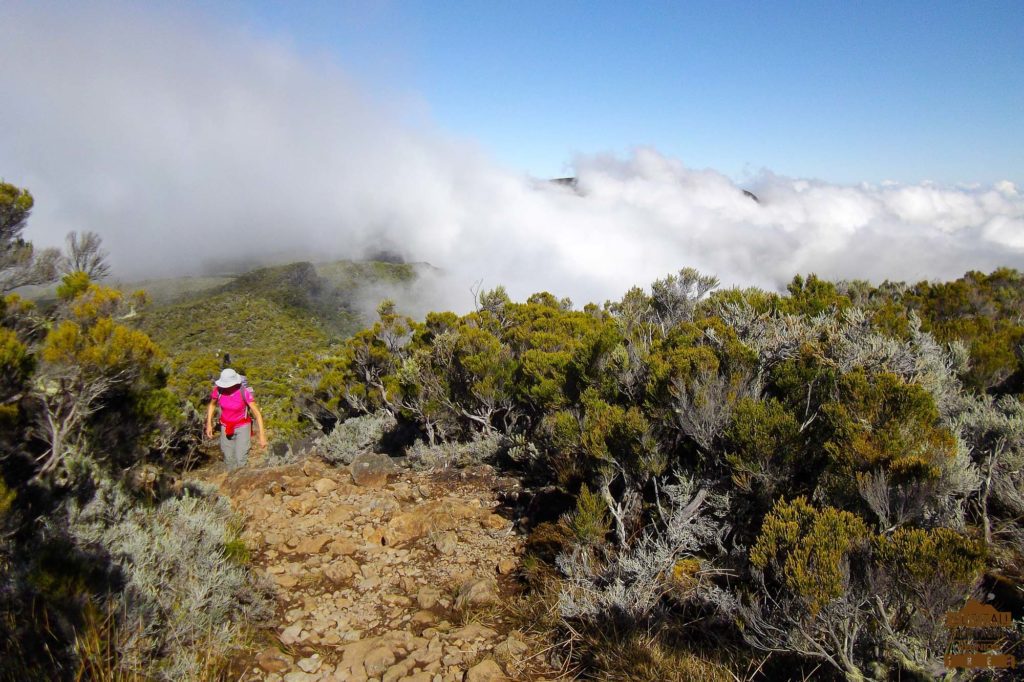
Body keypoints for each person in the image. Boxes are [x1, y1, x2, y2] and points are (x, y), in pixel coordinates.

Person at [205, 368, 267, 470]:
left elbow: (257, 414)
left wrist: (262, 436)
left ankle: (242, 481)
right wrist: (209, 424)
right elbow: (212, 405)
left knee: (241, 459)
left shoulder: (244, 392)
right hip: (225, 427)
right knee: (229, 459)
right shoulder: (218, 391)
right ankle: (232, 481)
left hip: (242, 427)